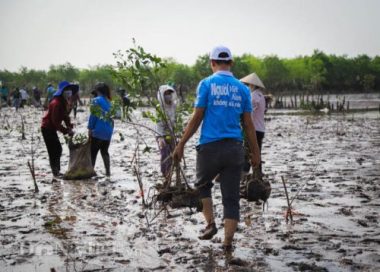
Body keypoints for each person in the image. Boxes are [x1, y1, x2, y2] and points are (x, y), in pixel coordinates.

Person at [173, 46, 260, 252]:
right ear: (231, 63)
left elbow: (197, 118)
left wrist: (181, 144)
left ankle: (210, 223)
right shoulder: (242, 89)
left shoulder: (207, 84)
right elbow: (249, 125)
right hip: (234, 148)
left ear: (212, 63)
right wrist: (256, 153)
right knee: (231, 197)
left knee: (202, 185)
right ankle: (227, 243)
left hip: (209, 147)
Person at [41, 81, 78, 177]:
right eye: (66, 90)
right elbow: (55, 121)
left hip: (51, 128)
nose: (69, 92)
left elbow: (65, 116)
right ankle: (55, 172)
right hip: (47, 128)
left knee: (57, 149)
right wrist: (66, 131)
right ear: (62, 91)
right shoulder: (56, 103)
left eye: (69, 90)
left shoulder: (63, 101)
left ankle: (56, 171)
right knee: (55, 150)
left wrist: (69, 125)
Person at [240, 73, 266, 174]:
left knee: (247, 153)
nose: (248, 87)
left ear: (252, 85)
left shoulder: (253, 96)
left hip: (253, 129)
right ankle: (257, 175)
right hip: (260, 129)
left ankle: (243, 175)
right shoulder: (261, 96)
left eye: (248, 85)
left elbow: (248, 113)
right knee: (257, 152)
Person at [88, 82, 114, 177]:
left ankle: (90, 172)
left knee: (93, 153)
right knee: (105, 151)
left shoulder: (96, 100)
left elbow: (93, 116)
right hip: (108, 131)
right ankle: (108, 172)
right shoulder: (109, 102)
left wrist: (90, 129)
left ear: (97, 91)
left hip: (98, 130)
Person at [156, 85, 177, 180]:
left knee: (174, 155)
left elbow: (176, 121)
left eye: (169, 93)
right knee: (165, 155)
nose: (168, 96)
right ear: (161, 96)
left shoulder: (174, 106)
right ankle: (165, 176)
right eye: (166, 94)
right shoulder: (160, 109)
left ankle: (171, 175)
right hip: (163, 135)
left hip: (173, 134)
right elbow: (158, 125)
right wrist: (160, 138)